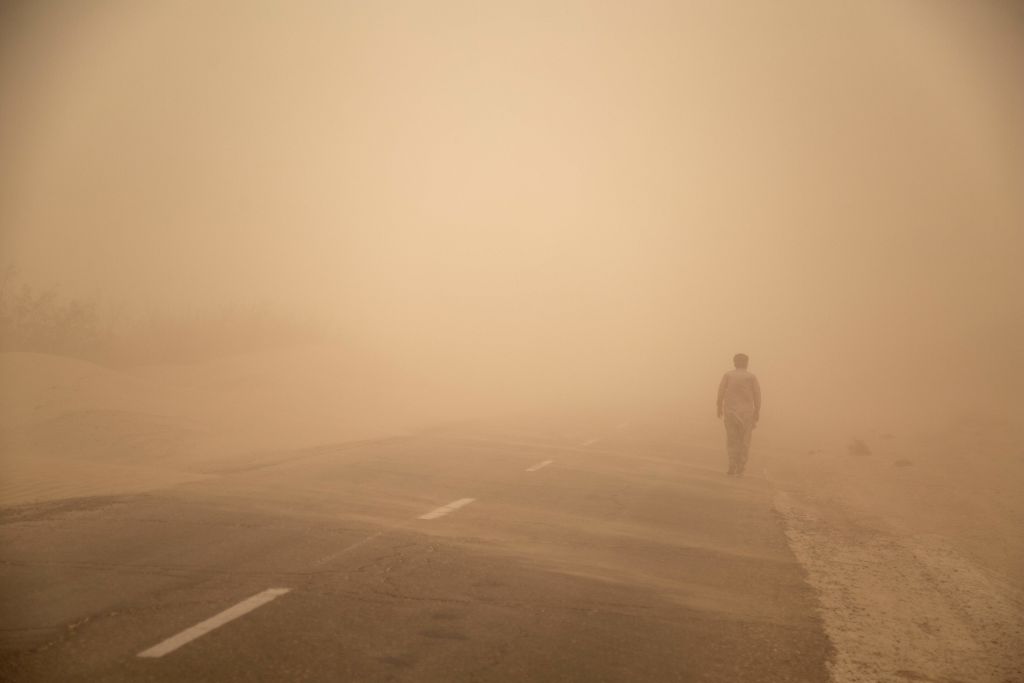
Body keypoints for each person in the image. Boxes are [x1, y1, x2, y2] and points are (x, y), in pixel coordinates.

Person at [716, 353, 761, 476]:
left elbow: (721, 391)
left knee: (732, 439)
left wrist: (719, 406)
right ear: (746, 363)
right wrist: (757, 410)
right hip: (746, 413)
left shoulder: (728, 375)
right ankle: (741, 465)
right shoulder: (751, 377)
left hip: (730, 412)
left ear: (734, 362)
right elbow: (757, 395)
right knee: (745, 440)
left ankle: (732, 464)